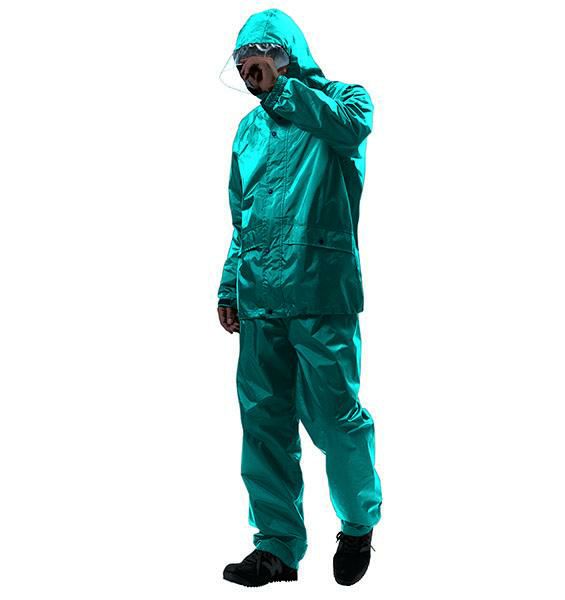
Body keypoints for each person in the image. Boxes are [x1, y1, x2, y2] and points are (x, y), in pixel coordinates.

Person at [217, 8, 383, 587]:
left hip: (320, 293)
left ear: (287, 54)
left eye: (259, 59)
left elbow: (348, 128)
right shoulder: (248, 131)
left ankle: (358, 522)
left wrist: (284, 89)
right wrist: (230, 283)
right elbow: (243, 216)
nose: (249, 72)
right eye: (242, 64)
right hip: (260, 299)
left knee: (336, 420)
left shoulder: (345, 99)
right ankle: (276, 548)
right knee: (264, 424)